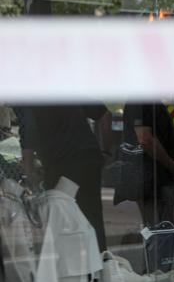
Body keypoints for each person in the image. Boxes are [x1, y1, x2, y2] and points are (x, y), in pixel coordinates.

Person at [18, 104, 112, 251]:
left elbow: (29, 133)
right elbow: (104, 114)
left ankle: (73, 265)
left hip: (61, 163)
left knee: (61, 218)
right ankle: (99, 262)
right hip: (88, 157)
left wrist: (29, 171)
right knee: (92, 217)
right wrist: (106, 151)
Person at [123, 103, 174, 227]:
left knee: (156, 228)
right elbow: (145, 138)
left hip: (154, 177)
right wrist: (172, 166)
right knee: (161, 229)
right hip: (154, 179)